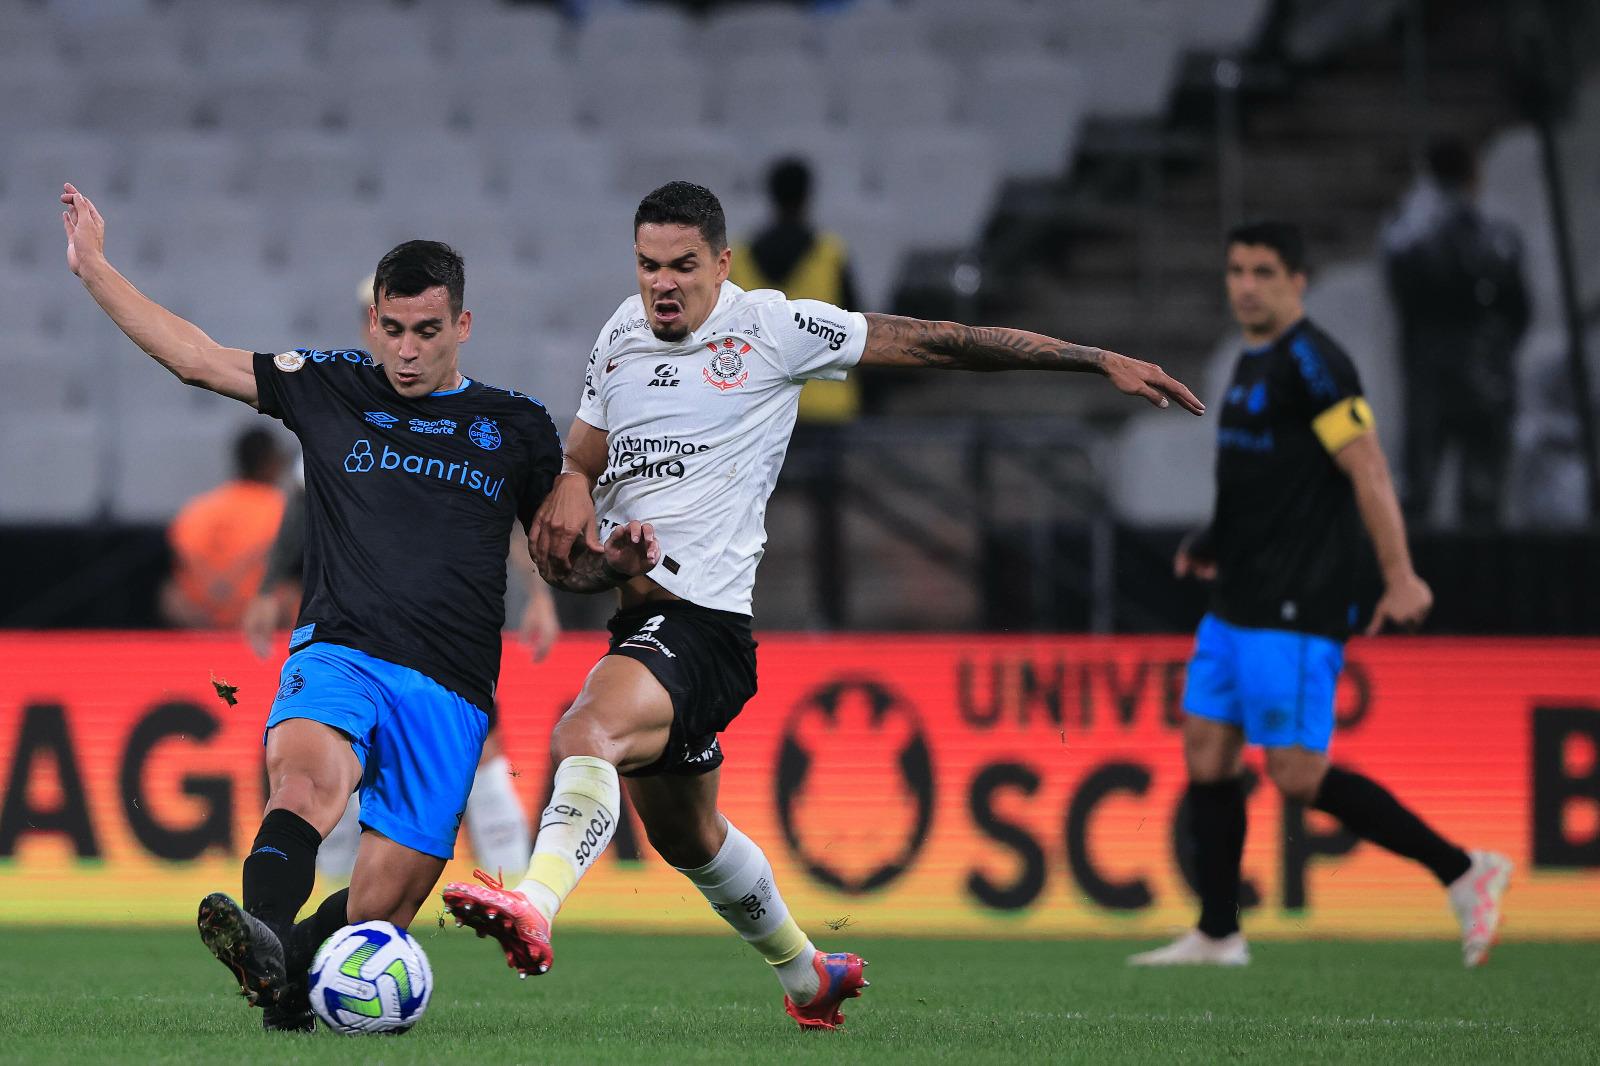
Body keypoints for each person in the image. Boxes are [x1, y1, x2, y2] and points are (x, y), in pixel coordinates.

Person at [441, 180, 1203, 1030]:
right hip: (644, 618)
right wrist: (581, 514)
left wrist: (1091, 358)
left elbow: (941, 343)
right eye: (649, 265)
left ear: (722, 264)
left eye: (684, 267)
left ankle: (536, 906)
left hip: (704, 626)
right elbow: (582, 463)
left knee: (585, 732)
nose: (663, 284)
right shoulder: (621, 335)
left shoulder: (772, 328)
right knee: (689, 838)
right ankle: (810, 975)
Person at [59, 183, 657, 1032]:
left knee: (380, 911)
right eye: (391, 329)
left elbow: (564, 565)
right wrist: (93, 269)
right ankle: (260, 930)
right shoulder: (332, 388)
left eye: (426, 331)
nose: (406, 352)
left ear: (463, 327)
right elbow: (198, 356)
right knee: (304, 783)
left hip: (449, 689)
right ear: (373, 321)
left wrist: (611, 564)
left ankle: (283, 983)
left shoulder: (516, 425)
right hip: (341, 649)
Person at [1129, 221, 1511, 970]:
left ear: (1297, 280)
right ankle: (1217, 933)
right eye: (1236, 269)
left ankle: (1464, 871)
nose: (1245, 284)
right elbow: (1255, 481)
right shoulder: (1249, 361)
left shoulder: (1317, 364)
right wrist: (1211, 542)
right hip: (1237, 599)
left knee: (1296, 774)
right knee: (1207, 751)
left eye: (1263, 271)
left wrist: (1400, 576)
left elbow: (1367, 467)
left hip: (1296, 605)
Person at [242, 480, 562, 886]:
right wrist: (271, 588)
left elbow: (509, 509)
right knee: (337, 766)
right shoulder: (340, 421)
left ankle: (518, 898)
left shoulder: (468, 428)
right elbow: (307, 501)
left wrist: (539, 594)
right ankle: (334, 914)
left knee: (479, 757)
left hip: (440, 625)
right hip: (352, 629)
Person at [729, 157, 860, 625]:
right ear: (807, 196)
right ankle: (829, 616)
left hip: (761, 409)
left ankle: (738, 613)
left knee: (743, 518)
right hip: (824, 407)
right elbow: (858, 329)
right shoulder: (830, 252)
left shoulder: (739, 257)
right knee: (828, 525)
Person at [1383, 137, 1530, 528]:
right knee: (1475, 497)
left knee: (1420, 493)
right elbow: (1518, 311)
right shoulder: (1495, 235)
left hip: (1434, 376)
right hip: (1482, 375)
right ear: (1473, 176)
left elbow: (1403, 295)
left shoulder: (1409, 236)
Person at [161, 426, 288, 629]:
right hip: (256, 611)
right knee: (293, 591)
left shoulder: (203, 505)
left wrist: (215, 589)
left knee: (171, 592)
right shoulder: (279, 506)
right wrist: (231, 589)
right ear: (269, 462)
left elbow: (185, 551)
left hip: (201, 614)